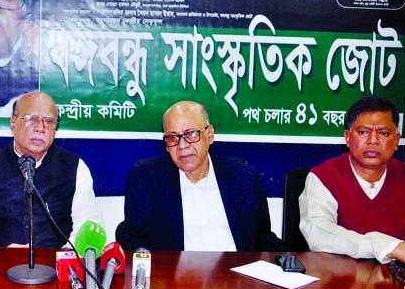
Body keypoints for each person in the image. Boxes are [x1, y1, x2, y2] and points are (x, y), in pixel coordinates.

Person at [116, 101, 284, 251]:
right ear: (166, 145)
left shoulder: (245, 178)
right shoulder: (143, 181)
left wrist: (287, 262)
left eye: (190, 134)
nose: (182, 145)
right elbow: (131, 234)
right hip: (175, 280)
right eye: (173, 137)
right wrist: (143, 255)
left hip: (236, 279)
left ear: (209, 135)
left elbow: (262, 237)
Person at [0, 91, 98, 247]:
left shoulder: (75, 168)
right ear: (13, 121)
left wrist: (64, 257)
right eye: (31, 119)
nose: (40, 128)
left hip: (56, 267)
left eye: (49, 122)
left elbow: (89, 227)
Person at [300, 96, 405, 264]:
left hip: (399, 284)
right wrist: (389, 247)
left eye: (383, 133)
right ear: (347, 137)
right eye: (363, 132)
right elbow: (318, 233)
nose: (373, 141)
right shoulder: (324, 177)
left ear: (396, 140)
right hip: (336, 284)